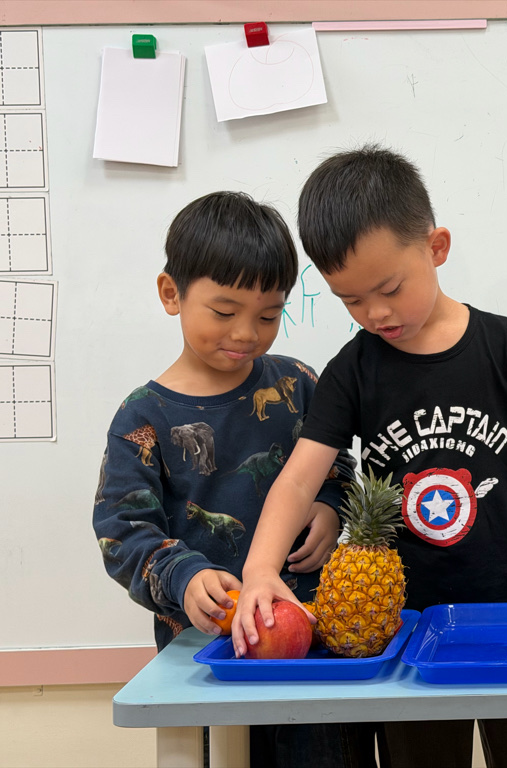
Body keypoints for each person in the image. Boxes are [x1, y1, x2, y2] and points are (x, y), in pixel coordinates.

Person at [233, 145, 507, 768]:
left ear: (436, 247)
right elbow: (299, 479)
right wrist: (260, 569)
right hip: (401, 621)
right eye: (350, 301)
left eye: (389, 288)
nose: (376, 313)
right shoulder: (352, 370)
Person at [92, 191, 381, 768]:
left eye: (269, 315)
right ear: (171, 293)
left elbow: (336, 465)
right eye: (224, 312)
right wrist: (184, 576)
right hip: (203, 653)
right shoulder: (142, 417)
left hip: (314, 642)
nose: (247, 332)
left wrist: (330, 505)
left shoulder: (298, 383)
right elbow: (122, 530)